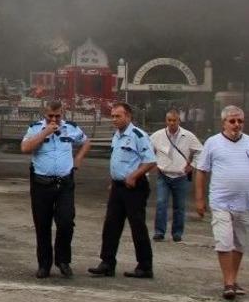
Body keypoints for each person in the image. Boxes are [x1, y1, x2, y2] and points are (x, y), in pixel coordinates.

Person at [194, 105, 249, 301]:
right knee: (224, 242)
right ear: (223, 123)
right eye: (232, 121)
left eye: (240, 121)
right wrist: (199, 199)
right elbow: (201, 171)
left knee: (240, 244)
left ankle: (233, 278)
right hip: (221, 201)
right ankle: (228, 283)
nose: (237, 124)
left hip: (246, 203)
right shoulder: (212, 143)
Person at [21, 100, 93, 278]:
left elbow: (86, 142)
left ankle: (63, 260)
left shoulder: (71, 128)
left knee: (66, 222)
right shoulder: (35, 128)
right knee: (42, 224)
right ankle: (44, 264)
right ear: (44, 114)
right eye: (50, 116)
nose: (54, 119)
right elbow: (25, 148)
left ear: (63, 113)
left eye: (57, 116)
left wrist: (78, 159)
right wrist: (45, 132)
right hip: (41, 184)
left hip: (64, 184)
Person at [88, 101, 157, 278]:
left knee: (137, 226)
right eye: (112, 116)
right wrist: (114, 180)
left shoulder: (137, 135)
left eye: (118, 116)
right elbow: (117, 161)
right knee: (111, 225)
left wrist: (134, 176)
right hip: (118, 186)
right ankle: (107, 262)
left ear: (128, 116)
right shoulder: (116, 136)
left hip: (134, 187)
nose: (114, 119)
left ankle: (144, 266)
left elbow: (150, 160)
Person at [149, 109, 203, 242]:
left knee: (180, 206)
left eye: (175, 120)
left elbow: (201, 151)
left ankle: (177, 233)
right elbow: (148, 151)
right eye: (169, 120)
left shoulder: (188, 136)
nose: (172, 123)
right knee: (161, 203)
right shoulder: (157, 136)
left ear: (179, 120)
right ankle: (159, 232)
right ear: (166, 121)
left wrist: (193, 165)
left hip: (181, 176)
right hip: (164, 174)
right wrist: (153, 164)